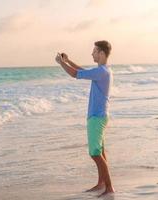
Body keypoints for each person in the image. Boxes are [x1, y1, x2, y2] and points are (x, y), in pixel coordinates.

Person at [55, 40, 115, 197]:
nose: (92, 53)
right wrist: (68, 60)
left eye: (94, 51)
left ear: (101, 53)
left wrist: (61, 63)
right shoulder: (103, 71)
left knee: (95, 153)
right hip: (100, 116)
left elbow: (75, 74)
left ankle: (109, 187)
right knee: (100, 151)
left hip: (96, 117)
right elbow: (82, 71)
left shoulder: (101, 71)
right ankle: (102, 183)